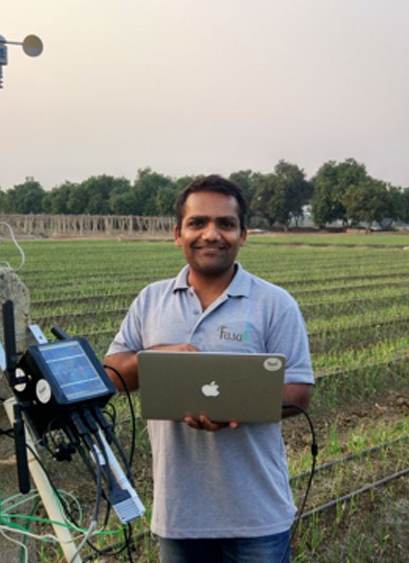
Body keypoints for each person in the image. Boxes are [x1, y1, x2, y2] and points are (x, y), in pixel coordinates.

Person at [103, 174, 314, 562]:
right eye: (197, 223)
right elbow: (112, 372)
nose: (211, 234)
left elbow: (299, 391)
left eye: (226, 224)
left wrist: (234, 405)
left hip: (258, 518)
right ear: (177, 234)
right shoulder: (151, 300)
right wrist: (156, 358)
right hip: (179, 517)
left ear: (243, 235)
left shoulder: (275, 304)